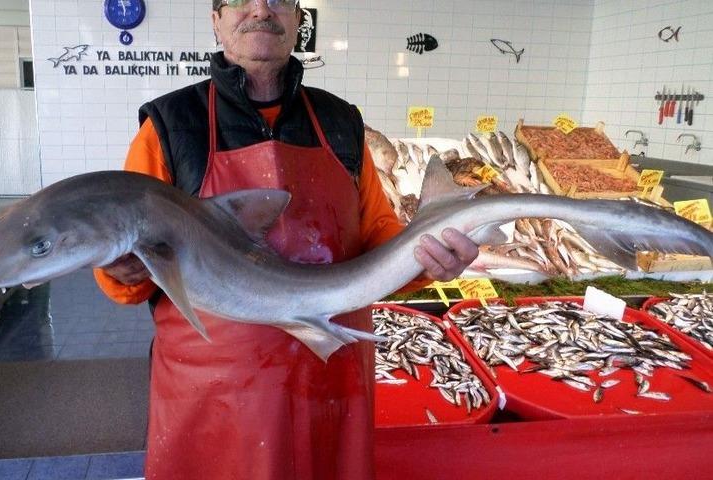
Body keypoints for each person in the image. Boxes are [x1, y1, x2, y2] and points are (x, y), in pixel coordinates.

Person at [94, 0, 479, 478]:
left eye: (278, 0)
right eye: (239, 0)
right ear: (216, 20)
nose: (261, 10)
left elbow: (379, 238)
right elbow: (125, 280)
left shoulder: (341, 123)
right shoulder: (168, 127)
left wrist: (427, 261)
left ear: (299, 19)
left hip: (330, 379)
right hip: (215, 398)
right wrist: (119, 270)